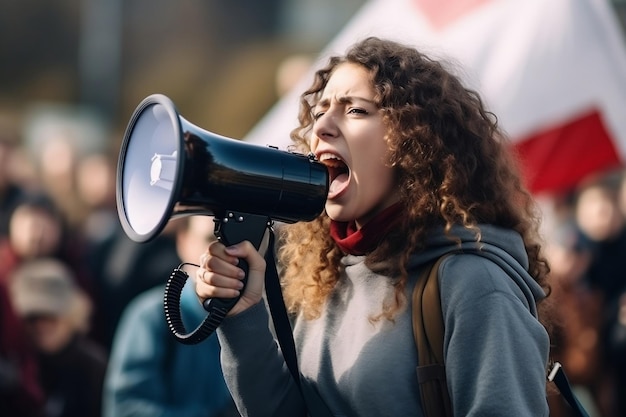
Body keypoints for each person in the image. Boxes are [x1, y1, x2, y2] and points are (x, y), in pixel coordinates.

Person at [194, 37, 552, 416]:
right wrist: (242, 315)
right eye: (320, 111)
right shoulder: (323, 277)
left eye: (356, 111)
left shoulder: (474, 284)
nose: (323, 128)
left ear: (414, 141)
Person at [102, 215, 238, 417]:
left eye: (230, 241)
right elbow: (125, 408)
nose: (221, 252)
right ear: (183, 241)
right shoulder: (150, 316)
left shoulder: (258, 318)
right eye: (210, 239)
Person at [9, 257, 108, 417]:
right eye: (32, 317)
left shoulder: (95, 368)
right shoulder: (16, 367)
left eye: (51, 316)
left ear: (72, 315)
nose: (42, 325)